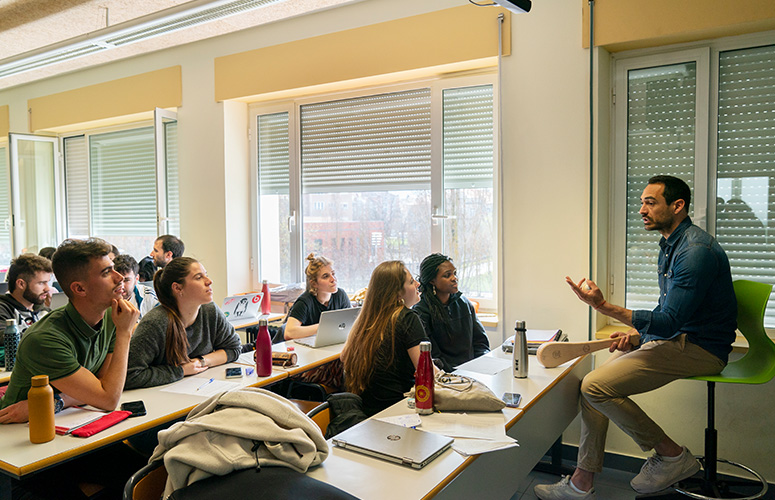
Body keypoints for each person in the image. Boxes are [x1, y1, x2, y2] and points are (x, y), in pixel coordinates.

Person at [535, 175, 737, 500]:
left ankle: (671, 454)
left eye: (651, 202)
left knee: (594, 386)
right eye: (642, 202)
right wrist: (638, 334)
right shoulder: (671, 243)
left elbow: (671, 321)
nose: (642, 209)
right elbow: (667, 310)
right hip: (678, 337)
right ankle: (580, 483)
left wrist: (603, 307)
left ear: (678, 205)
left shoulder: (695, 251)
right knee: (594, 386)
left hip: (700, 347)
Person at [125, 257, 242, 389]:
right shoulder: (155, 323)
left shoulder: (210, 310)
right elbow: (130, 375)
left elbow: (234, 348)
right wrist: (181, 371)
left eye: (206, 275)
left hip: (199, 388)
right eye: (199, 277)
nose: (209, 281)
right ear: (178, 288)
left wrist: (201, 362)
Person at [341, 260, 428, 416]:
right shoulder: (407, 318)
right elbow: (426, 371)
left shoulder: (366, 320)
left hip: (369, 414)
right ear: (397, 293)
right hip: (398, 412)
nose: (417, 284)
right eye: (411, 282)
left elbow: (343, 357)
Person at [413, 253, 489, 372]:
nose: (454, 278)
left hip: (473, 372)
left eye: (454, 273)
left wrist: (481, 366)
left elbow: (481, 342)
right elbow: (434, 357)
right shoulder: (421, 312)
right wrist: (456, 375)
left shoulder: (464, 303)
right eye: (447, 275)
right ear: (432, 281)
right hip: (447, 377)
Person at [284, 253, 351, 340]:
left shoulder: (340, 295)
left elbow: (350, 323)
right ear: (314, 283)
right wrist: (322, 327)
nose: (333, 279)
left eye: (333, 273)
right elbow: (289, 333)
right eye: (326, 276)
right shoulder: (304, 301)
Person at [0, 253, 53, 332]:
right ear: (21, 284)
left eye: (47, 282)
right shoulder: (3, 310)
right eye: (41, 283)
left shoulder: (44, 311)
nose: (47, 289)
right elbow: (5, 339)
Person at [114, 254, 159, 320]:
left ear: (136, 279)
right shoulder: (103, 297)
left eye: (126, 280)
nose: (121, 286)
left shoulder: (149, 297)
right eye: (117, 280)